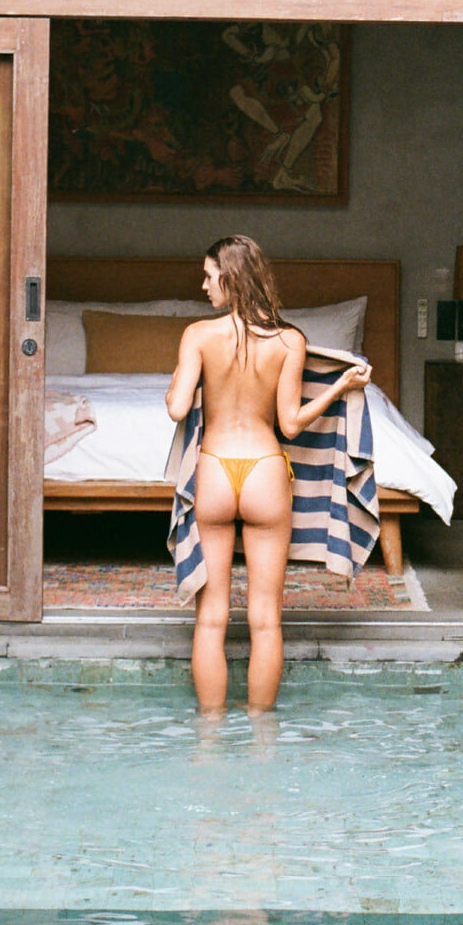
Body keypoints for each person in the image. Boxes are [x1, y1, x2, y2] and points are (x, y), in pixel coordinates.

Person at [166, 235, 371, 714]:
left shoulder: (198, 335)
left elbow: (177, 409)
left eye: (209, 276)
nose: (203, 286)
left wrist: (178, 382)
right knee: (265, 619)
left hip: (214, 471)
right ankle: (262, 731)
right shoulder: (289, 341)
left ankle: (209, 729)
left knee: (211, 617)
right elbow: (290, 424)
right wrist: (340, 385)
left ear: (231, 277)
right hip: (265, 472)